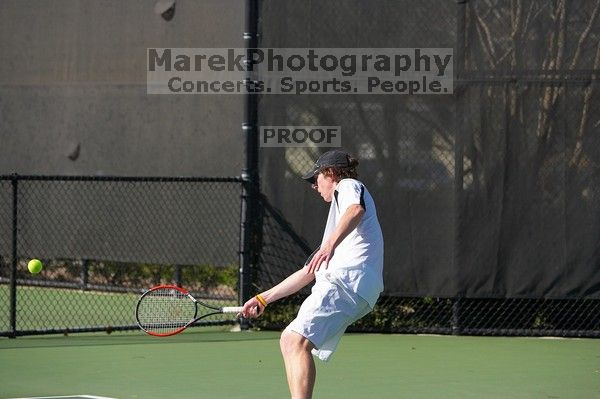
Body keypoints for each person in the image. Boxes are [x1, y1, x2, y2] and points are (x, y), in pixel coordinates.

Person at [240, 149, 384, 399]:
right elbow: (309, 272)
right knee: (292, 342)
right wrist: (263, 298)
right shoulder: (338, 224)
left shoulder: (347, 185)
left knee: (294, 341)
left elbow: (355, 210)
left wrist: (330, 245)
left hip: (346, 281)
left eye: (316, 179)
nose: (314, 187)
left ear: (330, 174)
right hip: (356, 286)